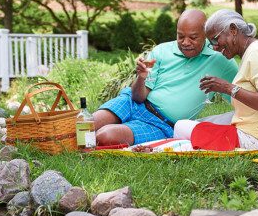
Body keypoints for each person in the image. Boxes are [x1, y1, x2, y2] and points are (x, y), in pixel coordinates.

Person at [94, 9, 238, 146]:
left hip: (161, 125)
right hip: (132, 103)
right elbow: (138, 97)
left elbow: (241, 93)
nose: (185, 42)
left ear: (205, 34)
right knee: (87, 124)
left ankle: (115, 130)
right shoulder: (161, 51)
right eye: (180, 36)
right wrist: (141, 78)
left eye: (193, 38)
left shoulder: (221, 59)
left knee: (105, 136)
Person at [173, 9, 258, 150]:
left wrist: (227, 88)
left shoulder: (256, 53)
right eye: (211, 43)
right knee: (199, 122)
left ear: (233, 30)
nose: (215, 47)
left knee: (180, 127)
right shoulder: (255, 49)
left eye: (216, 39)